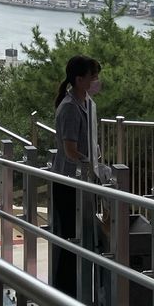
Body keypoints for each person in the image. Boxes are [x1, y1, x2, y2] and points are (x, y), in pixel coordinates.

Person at [52, 54, 102, 298]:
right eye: (93, 76)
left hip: (82, 181)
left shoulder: (86, 103)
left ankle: (76, 289)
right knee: (72, 237)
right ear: (80, 79)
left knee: (82, 235)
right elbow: (70, 150)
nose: (97, 81)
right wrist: (91, 164)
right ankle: (66, 292)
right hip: (69, 181)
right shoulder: (70, 108)